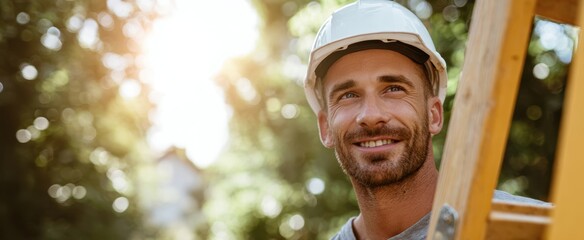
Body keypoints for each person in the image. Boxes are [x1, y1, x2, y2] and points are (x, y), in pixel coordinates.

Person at [303, 1, 549, 239]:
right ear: (325, 127)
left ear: (434, 114)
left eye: (393, 88)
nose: (371, 115)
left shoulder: (529, 230)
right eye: (348, 95)